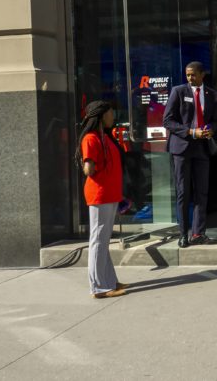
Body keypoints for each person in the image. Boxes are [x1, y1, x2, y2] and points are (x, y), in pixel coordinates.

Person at [163, 61, 217, 247]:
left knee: (202, 193)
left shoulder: (211, 94)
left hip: (202, 148)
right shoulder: (178, 91)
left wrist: (211, 129)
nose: (189, 78)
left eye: (193, 74)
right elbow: (168, 121)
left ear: (202, 74)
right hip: (182, 148)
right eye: (187, 75)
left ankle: (198, 233)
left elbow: (216, 121)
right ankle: (183, 234)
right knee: (183, 192)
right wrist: (190, 132)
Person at [76, 101, 127, 299]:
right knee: (98, 240)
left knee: (103, 240)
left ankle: (110, 281)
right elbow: (89, 168)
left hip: (109, 194)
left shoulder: (103, 137)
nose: (113, 116)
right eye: (111, 112)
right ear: (101, 115)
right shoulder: (91, 138)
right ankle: (98, 287)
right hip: (100, 194)